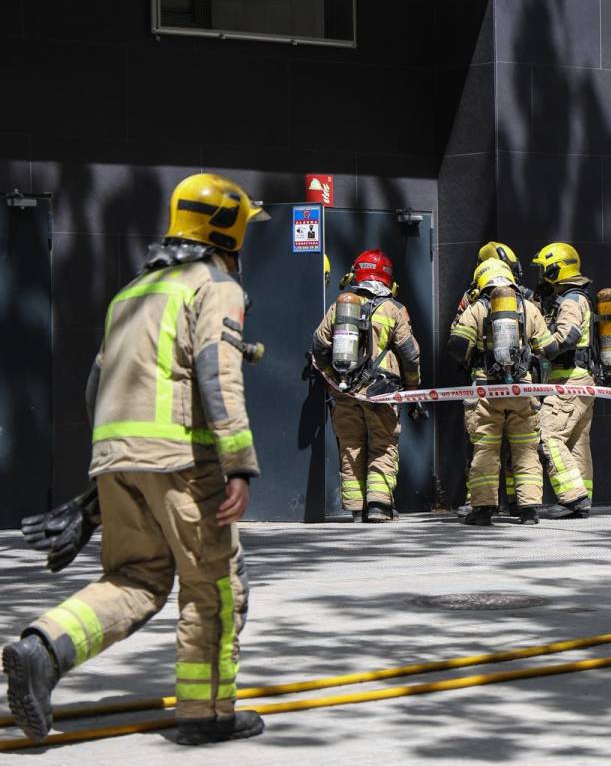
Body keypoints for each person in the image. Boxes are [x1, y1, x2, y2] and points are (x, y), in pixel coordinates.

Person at [2, 174, 268, 745]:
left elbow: (95, 384)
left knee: (136, 578)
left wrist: (106, 473)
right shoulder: (214, 285)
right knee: (215, 587)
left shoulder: (132, 292)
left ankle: (43, 649)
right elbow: (218, 376)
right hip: (183, 459)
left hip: (116, 458)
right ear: (229, 230)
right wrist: (239, 464)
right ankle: (206, 715)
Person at [312, 250, 421, 522]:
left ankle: (356, 509)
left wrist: (333, 378)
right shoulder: (393, 309)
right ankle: (379, 506)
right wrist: (413, 389)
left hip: (343, 391)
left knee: (351, 446)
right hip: (381, 392)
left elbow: (319, 345)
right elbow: (410, 355)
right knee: (382, 446)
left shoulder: (340, 306)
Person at [448, 259, 552, 526]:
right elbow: (548, 348)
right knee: (526, 449)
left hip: (486, 391)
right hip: (522, 390)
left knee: (486, 450)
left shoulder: (477, 308)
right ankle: (528, 511)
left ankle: (483, 511)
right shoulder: (528, 308)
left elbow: (458, 347)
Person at [452, 243, 526, 515]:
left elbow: (458, 338)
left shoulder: (472, 299)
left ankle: (480, 504)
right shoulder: (525, 299)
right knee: (521, 446)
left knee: (483, 446)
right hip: (521, 382)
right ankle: (521, 504)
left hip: (483, 380)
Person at [531, 242, 597, 519]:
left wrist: (539, 347)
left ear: (555, 271)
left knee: (548, 436)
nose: (540, 276)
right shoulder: (580, 298)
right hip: (582, 381)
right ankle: (583, 498)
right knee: (578, 443)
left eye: (543, 270)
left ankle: (573, 498)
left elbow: (567, 337)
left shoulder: (570, 301)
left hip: (568, 383)